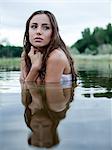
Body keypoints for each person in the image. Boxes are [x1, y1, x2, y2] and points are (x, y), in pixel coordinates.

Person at [20, 10, 77, 83]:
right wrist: (35, 67)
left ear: (53, 33)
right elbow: (24, 90)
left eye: (46, 28)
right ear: (28, 32)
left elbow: (48, 93)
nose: (38, 31)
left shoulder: (56, 57)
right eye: (34, 27)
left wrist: (36, 68)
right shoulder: (27, 54)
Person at [21, 81, 76, 148]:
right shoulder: (57, 105)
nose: (40, 123)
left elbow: (26, 82)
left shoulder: (27, 104)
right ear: (53, 122)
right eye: (45, 125)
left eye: (35, 126)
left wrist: (35, 95)